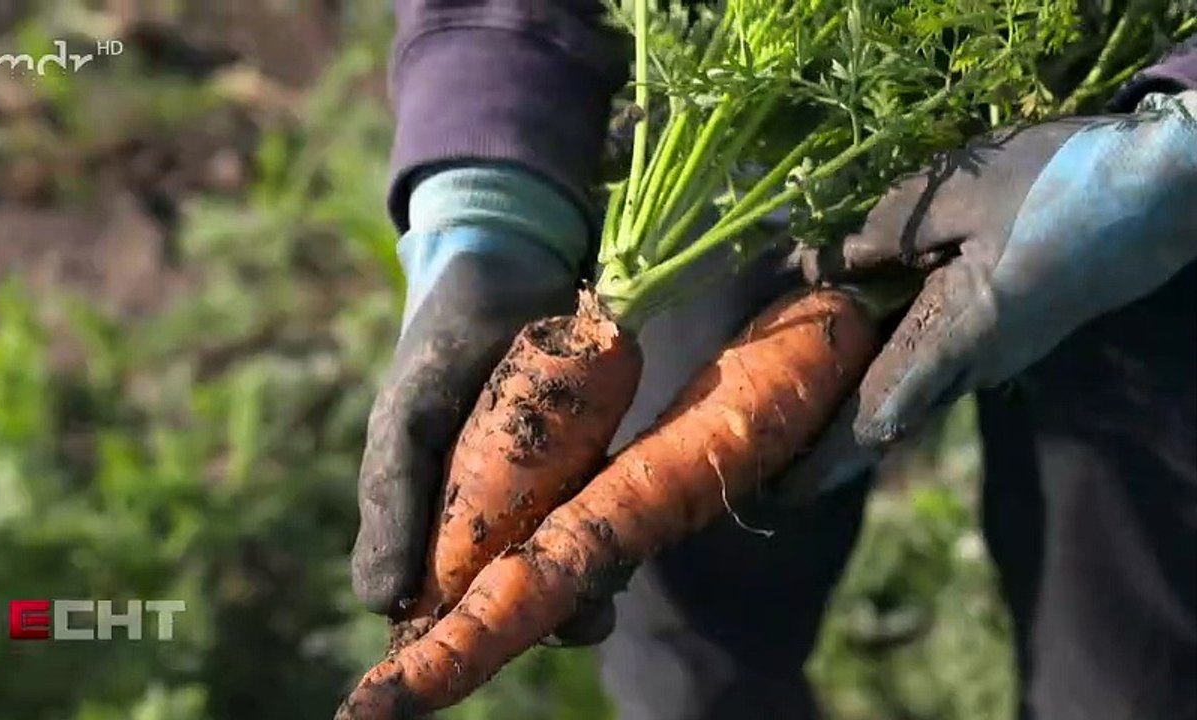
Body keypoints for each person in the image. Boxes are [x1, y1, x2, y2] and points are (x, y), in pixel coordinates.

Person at [350, 1, 1197, 717]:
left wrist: (1177, 151)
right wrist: (489, 190)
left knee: (1134, 652)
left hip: (1129, 132)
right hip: (758, 146)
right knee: (686, 638)